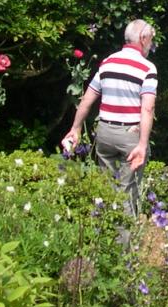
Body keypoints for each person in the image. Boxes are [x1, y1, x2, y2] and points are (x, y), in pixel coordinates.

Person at [61, 19, 157, 215]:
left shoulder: (108, 62)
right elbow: (147, 109)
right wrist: (142, 144)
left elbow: (87, 98)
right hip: (130, 135)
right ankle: (123, 244)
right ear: (143, 38)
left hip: (104, 132)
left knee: (105, 190)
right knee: (127, 194)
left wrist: (76, 128)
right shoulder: (147, 68)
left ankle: (101, 239)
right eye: (151, 40)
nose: (151, 45)